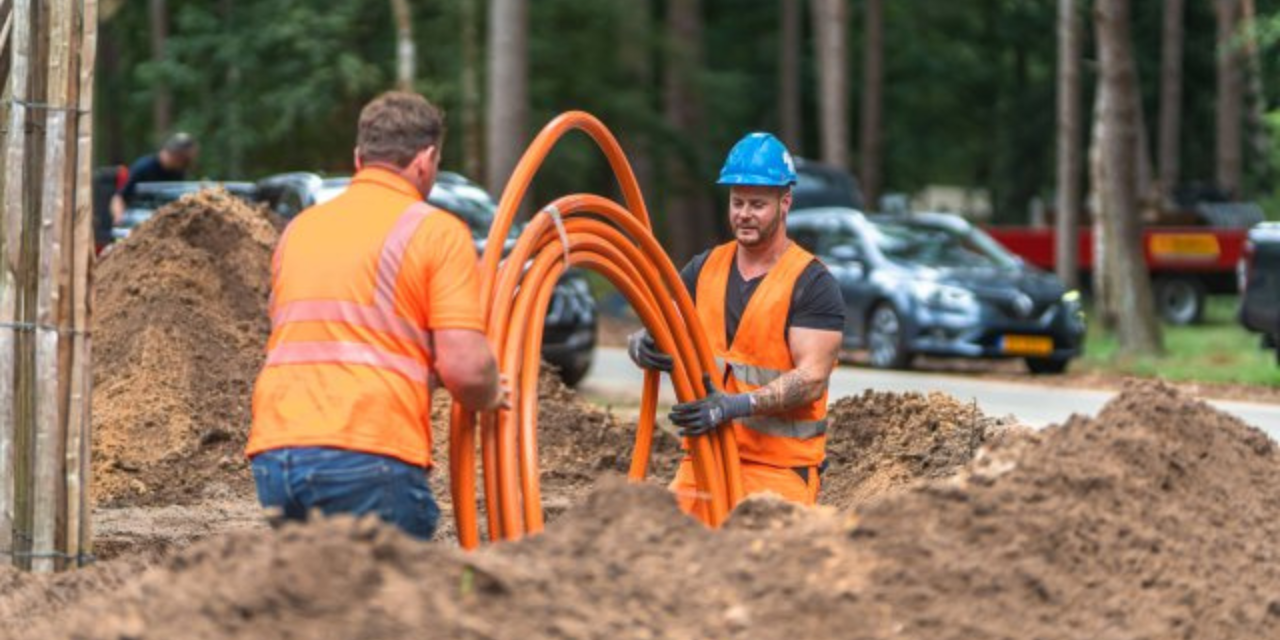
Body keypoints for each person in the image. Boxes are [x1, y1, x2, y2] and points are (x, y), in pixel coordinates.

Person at [246, 91, 504, 540]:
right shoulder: (436, 231)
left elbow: (337, 339)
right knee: (389, 604)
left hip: (278, 454)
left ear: (358, 157)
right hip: (368, 450)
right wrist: (490, 395)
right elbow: (465, 367)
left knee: (316, 603)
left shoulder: (300, 230)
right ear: (425, 160)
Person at [628, 132, 845, 522]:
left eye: (758, 204)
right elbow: (663, 328)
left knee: (759, 568)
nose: (744, 213)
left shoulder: (811, 282)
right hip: (703, 459)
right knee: (662, 548)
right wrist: (641, 345)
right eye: (737, 202)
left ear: (785, 203)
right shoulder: (704, 268)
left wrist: (735, 406)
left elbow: (812, 378)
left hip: (778, 470)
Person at [109, 132, 200, 225]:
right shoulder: (144, 167)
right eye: (184, 160)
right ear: (176, 155)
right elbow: (119, 198)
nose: (184, 164)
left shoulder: (178, 172)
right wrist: (119, 219)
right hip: (141, 222)